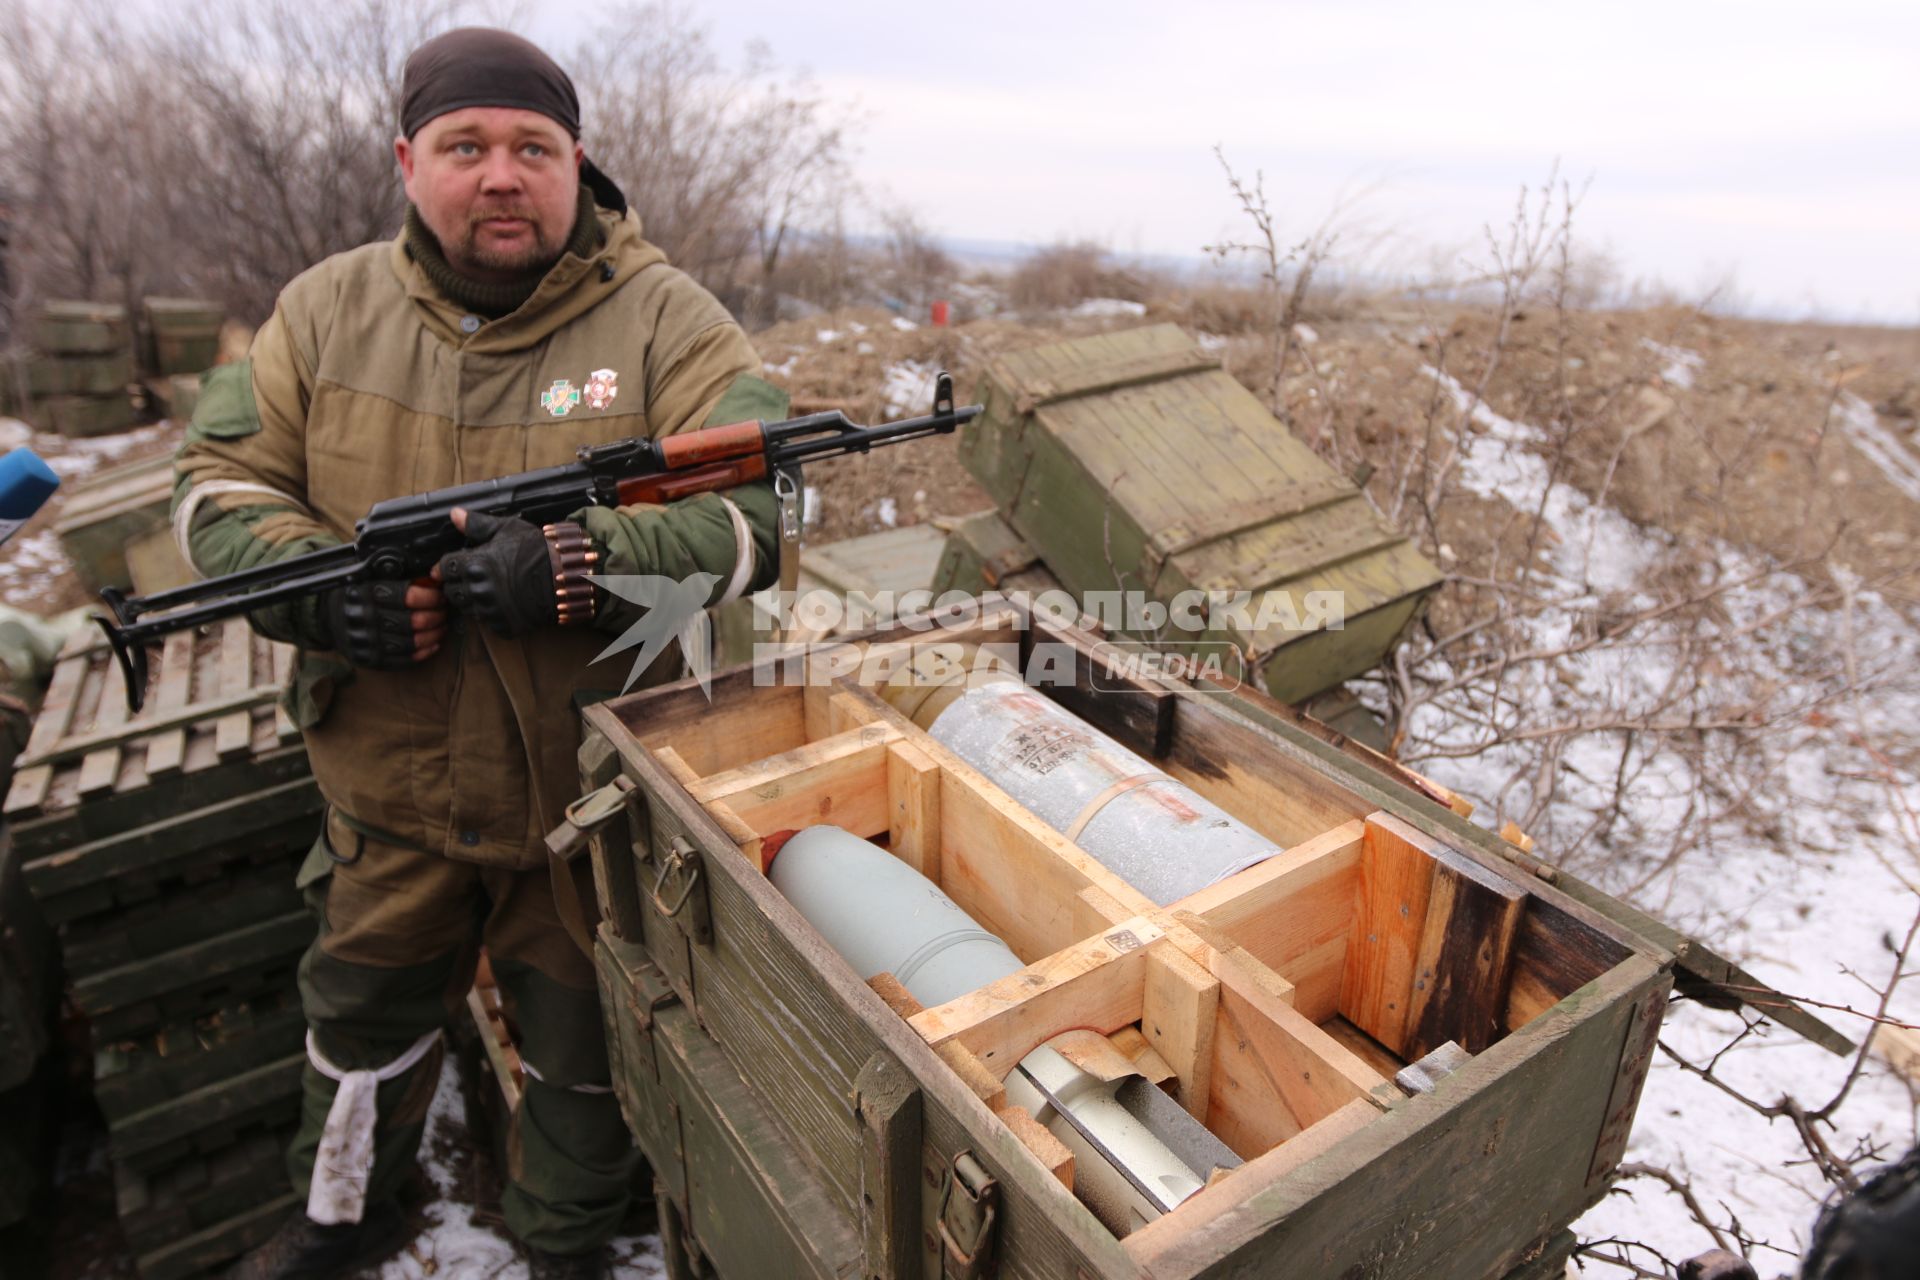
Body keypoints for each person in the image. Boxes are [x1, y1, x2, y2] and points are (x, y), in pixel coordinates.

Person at [177, 28, 785, 1280]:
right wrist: (325, 599)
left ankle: (563, 1243)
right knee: (357, 1026)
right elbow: (213, 488)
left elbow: (757, 521)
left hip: (587, 802)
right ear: (410, 162)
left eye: (533, 147)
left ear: (577, 164)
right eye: (466, 146)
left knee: (582, 1054)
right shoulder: (322, 313)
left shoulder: (667, 320)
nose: (501, 174)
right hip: (386, 797)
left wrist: (583, 559)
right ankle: (347, 1214)